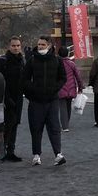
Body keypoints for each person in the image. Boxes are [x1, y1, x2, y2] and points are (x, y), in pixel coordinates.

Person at [23, 36, 67, 166]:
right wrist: (32, 91)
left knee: (54, 127)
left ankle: (58, 154)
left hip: (52, 99)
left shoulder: (57, 60)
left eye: (43, 44)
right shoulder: (32, 60)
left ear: (49, 45)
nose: (40, 46)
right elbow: (24, 79)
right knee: (36, 128)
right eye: (39, 44)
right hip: (36, 100)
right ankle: (36, 155)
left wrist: (55, 88)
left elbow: (63, 78)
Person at [0, 36, 26, 161]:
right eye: (14, 46)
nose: (16, 48)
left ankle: (11, 150)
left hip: (19, 97)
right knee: (6, 125)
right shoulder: (3, 61)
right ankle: (1, 150)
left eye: (18, 45)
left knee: (14, 124)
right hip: (6, 98)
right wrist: (6, 98)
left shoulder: (22, 60)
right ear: (9, 47)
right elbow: (1, 81)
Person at [57, 46, 84, 131]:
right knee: (68, 106)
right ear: (67, 54)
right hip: (71, 87)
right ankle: (66, 123)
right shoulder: (71, 64)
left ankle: (65, 126)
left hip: (61, 87)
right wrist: (80, 87)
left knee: (62, 107)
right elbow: (78, 76)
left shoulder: (57, 63)